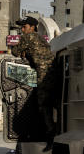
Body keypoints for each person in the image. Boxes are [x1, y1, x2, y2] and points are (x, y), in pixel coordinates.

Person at [11, 16, 57, 146]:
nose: (22, 30)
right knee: (52, 103)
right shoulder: (41, 39)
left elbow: (15, 51)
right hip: (54, 73)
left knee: (43, 105)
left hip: (44, 75)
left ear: (32, 27)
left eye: (24, 27)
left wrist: (23, 52)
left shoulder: (28, 37)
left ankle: (50, 135)